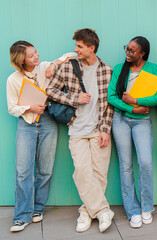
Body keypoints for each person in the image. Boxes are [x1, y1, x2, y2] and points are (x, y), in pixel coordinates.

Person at [46, 28, 114, 233]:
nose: (76, 50)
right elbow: (50, 90)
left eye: (80, 47)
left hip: (98, 130)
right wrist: (74, 99)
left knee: (99, 174)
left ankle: (86, 212)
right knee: (82, 173)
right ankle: (103, 211)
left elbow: (109, 104)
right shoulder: (68, 67)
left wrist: (105, 129)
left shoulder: (107, 70)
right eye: (76, 46)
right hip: (76, 129)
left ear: (92, 48)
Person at [6, 41, 74, 232]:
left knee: (45, 169)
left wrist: (53, 64)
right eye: (31, 56)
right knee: (23, 172)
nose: (36, 57)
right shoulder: (13, 79)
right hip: (26, 123)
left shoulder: (43, 67)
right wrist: (29, 107)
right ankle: (21, 216)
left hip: (48, 122)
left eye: (36, 52)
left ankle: (37, 208)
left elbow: (71, 55)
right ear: (21, 61)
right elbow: (12, 107)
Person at [107, 36, 157, 228]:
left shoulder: (153, 69)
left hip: (142, 122)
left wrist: (136, 101)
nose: (128, 53)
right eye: (127, 49)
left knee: (145, 162)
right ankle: (132, 210)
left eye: (132, 51)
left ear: (142, 53)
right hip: (120, 120)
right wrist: (131, 108)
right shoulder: (119, 69)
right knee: (125, 165)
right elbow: (111, 97)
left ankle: (146, 206)